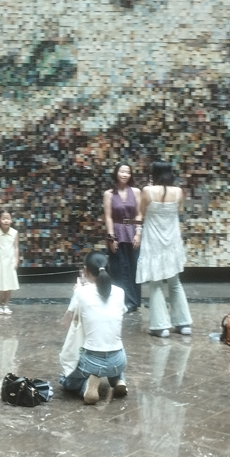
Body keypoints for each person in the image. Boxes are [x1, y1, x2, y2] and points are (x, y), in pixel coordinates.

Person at [60, 252, 128, 405]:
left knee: (66, 379)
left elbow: (65, 323)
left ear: (85, 270)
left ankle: (87, 386)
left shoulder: (81, 292)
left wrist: (77, 293)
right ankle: (119, 380)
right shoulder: (120, 292)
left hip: (91, 362)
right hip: (119, 360)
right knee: (112, 362)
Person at [136, 161, 192, 337]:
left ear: (154, 173)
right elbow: (178, 213)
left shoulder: (147, 191)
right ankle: (183, 324)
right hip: (172, 240)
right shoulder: (178, 192)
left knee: (156, 283)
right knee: (175, 282)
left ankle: (160, 327)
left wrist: (137, 231)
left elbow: (141, 213)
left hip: (153, 240)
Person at [103, 163, 142, 312]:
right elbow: (108, 217)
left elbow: (139, 214)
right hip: (117, 232)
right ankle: (123, 301)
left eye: (128, 172)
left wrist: (138, 233)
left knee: (133, 267)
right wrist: (111, 237)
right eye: (122, 171)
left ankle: (134, 301)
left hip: (132, 232)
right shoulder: (109, 194)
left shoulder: (136, 191)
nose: (125, 175)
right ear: (116, 173)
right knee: (119, 268)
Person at [0, 211, 20, 315]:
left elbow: (16, 247)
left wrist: (16, 260)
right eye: (3, 218)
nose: (6, 221)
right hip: (0, 262)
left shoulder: (14, 233)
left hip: (10, 262)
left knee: (9, 284)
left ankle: (6, 305)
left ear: (11, 221)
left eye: (8, 218)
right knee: (0, 284)